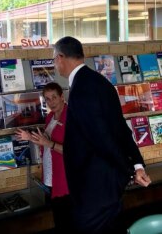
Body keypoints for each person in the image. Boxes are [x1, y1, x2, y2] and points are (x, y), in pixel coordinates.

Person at [53, 36, 152, 234]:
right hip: (105, 184)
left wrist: (130, 171)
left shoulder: (82, 89)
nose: (55, 65)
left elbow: (102, 138)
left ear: (61, 57)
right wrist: (137, 164)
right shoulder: (100, 81)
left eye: (54, 59)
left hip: (95, 188)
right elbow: (120, 128)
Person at [15, 82, 73, 233]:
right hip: (51, 176)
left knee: (68, 220)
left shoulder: (72, 117)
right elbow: (45, 141)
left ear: (62, 97)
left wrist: (49, 143)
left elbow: (75, 151)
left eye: (54, 97)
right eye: (47, 99)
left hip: (66, 179)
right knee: (58, 219)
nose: (51, 102)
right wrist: (29, 136)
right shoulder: (49, 118)